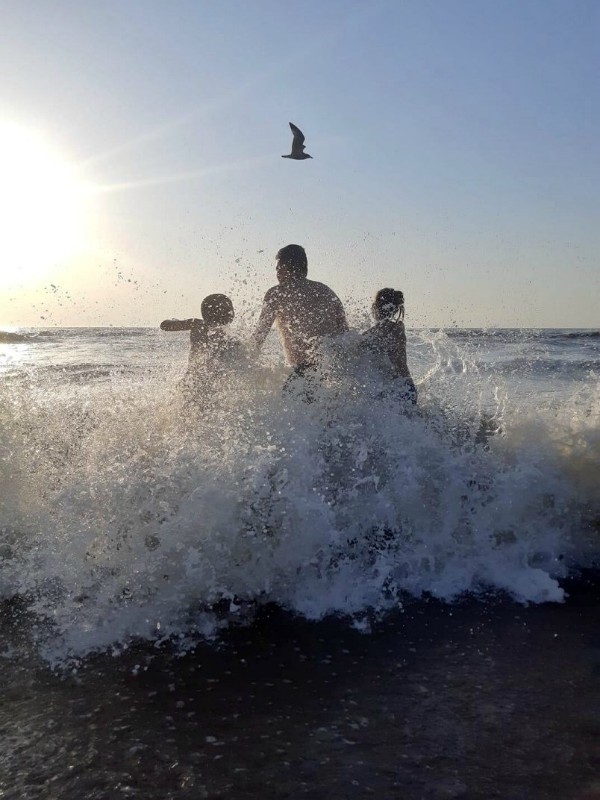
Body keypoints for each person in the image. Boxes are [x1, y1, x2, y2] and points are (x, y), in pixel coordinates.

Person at [250, 244, 349, 399]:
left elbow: (258, 337)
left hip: (304, 372)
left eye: (278, 268)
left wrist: (240, 363)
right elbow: (346, 336)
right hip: (336, 374)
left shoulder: (277, 293)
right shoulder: (326, 291)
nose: (276, 272)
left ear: (287, 266)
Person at [160, 293, 244, 404]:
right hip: (210, 387)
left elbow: (164, 325)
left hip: (190, 381)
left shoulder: (197, 325)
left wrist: (174, 322)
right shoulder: (230, 340)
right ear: (230, 314)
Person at [362, 288, 417, 405]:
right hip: (407, 386)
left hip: (393, 388)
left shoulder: (375, 332)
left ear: (375, 307)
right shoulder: (399, 327)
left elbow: (356, 349)